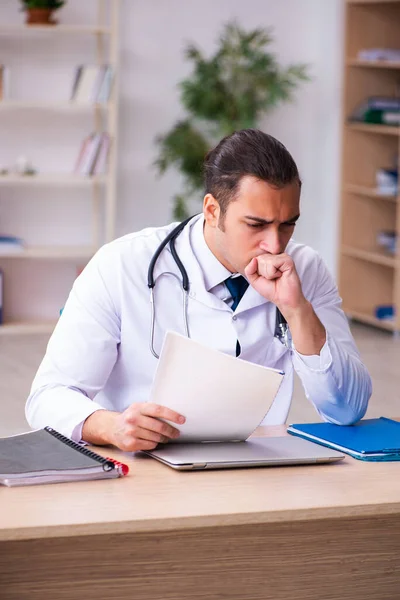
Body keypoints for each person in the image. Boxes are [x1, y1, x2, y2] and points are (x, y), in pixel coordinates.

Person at [26, 129, 372, 451]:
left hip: (260, 467)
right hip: (145, 467)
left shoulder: (305, 270)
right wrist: (109, 426)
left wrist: (298, 312)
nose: (274, 244)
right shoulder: (120, 265)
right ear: (212, 210)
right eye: (256, 225)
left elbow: (347, 410)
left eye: (288, 225)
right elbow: (47, 397)